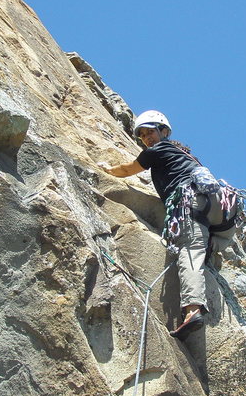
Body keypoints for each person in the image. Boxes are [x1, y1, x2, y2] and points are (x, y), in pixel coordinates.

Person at [101, 110, 238, 340]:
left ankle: (193, 310)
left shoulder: (159, 150)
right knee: (203, 244)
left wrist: (106, 169)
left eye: (150, 132)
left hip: (192, 201)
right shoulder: (184, 155)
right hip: (221, 213)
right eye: (142, 136)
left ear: (164, 131)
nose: (147, 139)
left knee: (191, 249)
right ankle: (210, 249)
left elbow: (128, 170)